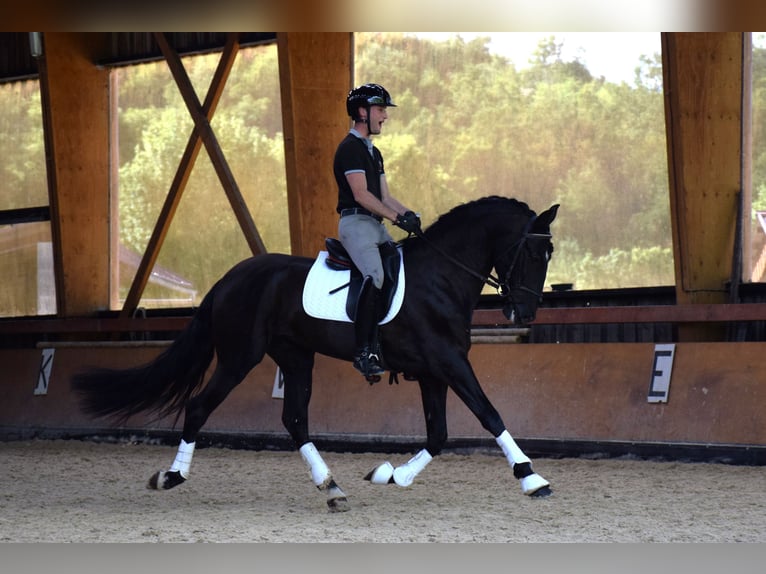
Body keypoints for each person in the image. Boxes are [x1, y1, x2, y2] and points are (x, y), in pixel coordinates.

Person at [333, 83, 422, 381]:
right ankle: (364, 351)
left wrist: (409, 214)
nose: (385, 116)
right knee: (377, 275)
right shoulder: (349, 149)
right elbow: (361, 195)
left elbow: (384, 197)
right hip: (356, 223)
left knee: (404, 269)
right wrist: (397, 219)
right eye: (381, 109)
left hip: (375, 223)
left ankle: (401, 347)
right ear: (363, 111)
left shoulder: (375, 152)